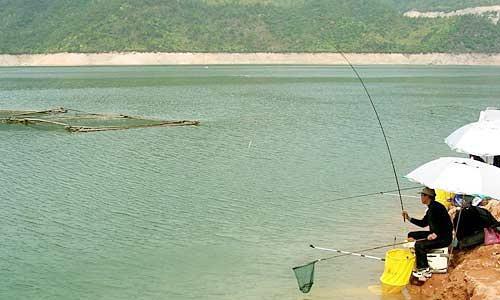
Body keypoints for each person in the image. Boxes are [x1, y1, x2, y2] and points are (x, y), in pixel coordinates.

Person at [402, 187, 453, 281]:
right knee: (411, 234)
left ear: (427, 197)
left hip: (444, 238)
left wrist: (436, 234)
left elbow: (448, 225)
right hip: (435, 234)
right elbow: (423, 223)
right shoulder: (430, 209)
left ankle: (424, 270)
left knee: (419, 245)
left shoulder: (437, 208)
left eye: (422, 195)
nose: (420, 197)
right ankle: (417, 258)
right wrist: (409, 218)